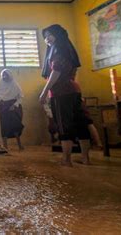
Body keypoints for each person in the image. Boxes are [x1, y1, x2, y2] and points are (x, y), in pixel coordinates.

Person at [39, 24, 91, 166]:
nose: (47, 39)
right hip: (74, 90)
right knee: (81, 124)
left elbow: (56, 72)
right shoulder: (68, 50)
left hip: (61, 93)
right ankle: (86, 159)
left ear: (58, 35)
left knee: (64, 125)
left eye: (49, 35)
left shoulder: (58, 51)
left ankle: (66, 160)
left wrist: (44, 92)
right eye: (45, 37)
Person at [0, 69, 24, 150]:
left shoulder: (15, 85)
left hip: (13, 107)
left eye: (6, 75)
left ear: (10, 76)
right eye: (3, 75)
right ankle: (5, 146)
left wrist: (14, 105)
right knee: (4, 126)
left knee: (16, 126)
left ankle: (19, 145)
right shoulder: (0, 84)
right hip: (3, 107)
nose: (4, 77)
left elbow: (20, 97)